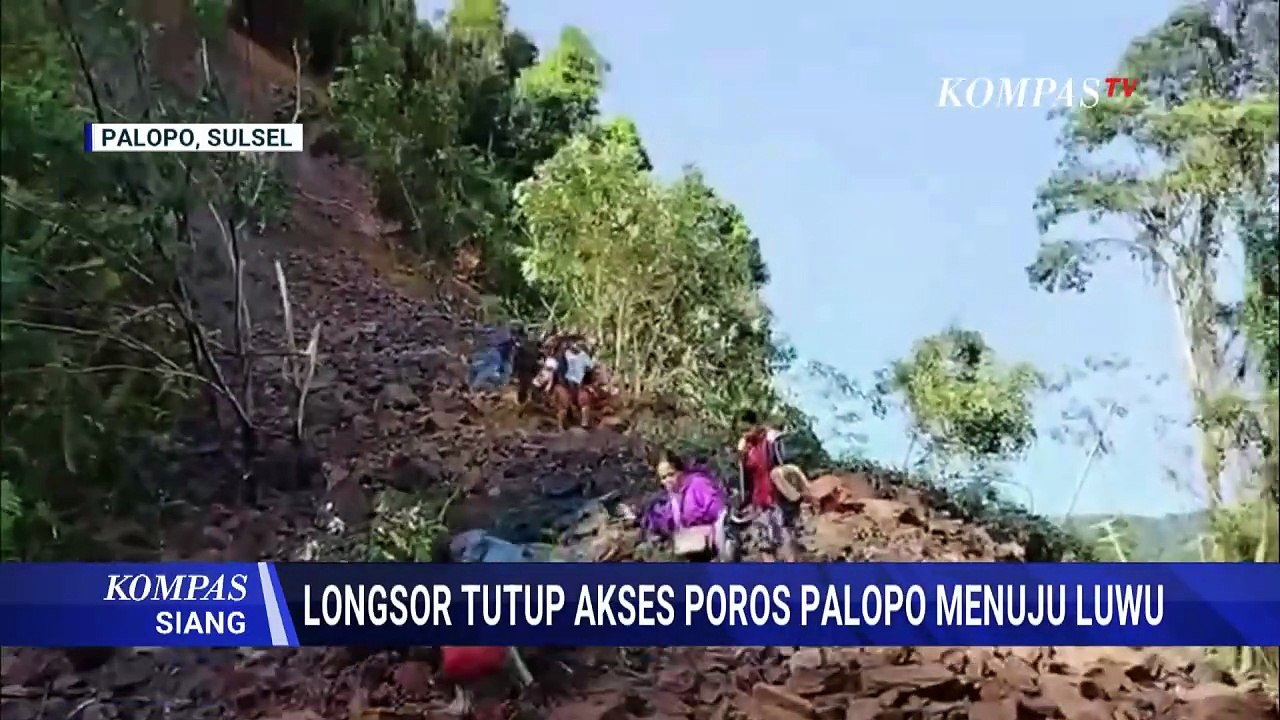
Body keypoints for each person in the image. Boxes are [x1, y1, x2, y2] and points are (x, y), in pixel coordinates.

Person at [640, 450, 728, 561]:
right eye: (663, 477)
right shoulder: (670, 498)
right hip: (689, 551)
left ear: (681, 472)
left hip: (712, 548)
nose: (668, 480)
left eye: (671, 474)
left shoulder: (698, 484)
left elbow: (719, 511)